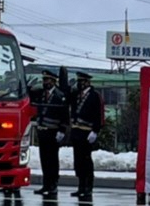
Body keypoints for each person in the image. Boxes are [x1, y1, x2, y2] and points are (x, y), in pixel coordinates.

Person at [68, 70, 104, 199]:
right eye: (79, 82)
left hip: (87, 132)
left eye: (82, 82)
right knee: (78, 161)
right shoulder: (76, 95)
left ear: (88, 82)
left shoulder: (94, 96)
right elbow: (67, 98)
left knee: (86, 160)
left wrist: (95, 130)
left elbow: (99, 114)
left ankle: (88, 187)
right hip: (76, 131)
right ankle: (80, 186)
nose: (80, 84)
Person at [31, 70, 67, 195]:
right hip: (42, 131)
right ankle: (46, 185)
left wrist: (62, 130)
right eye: (44, 80)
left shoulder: (59, 96)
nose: (45, 82)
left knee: (52, 160)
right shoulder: (42, 94)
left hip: (53, 132)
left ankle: (53, 184)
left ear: (53, 81)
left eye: (47, 80)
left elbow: (64, 115)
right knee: (44, 160)